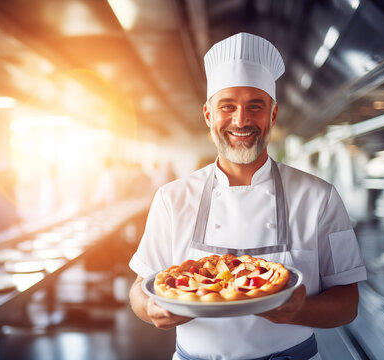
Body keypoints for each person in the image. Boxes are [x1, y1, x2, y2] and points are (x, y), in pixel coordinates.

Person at [128, 32, 367, 360]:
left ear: (272, 114)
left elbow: (347, 304)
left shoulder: (320, 198)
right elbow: (141, 289)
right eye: (228, 107)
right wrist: (152, 309)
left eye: (255, 106)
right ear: (209, 116)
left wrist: (299, 311)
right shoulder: (172, 198)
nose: (241, 120)